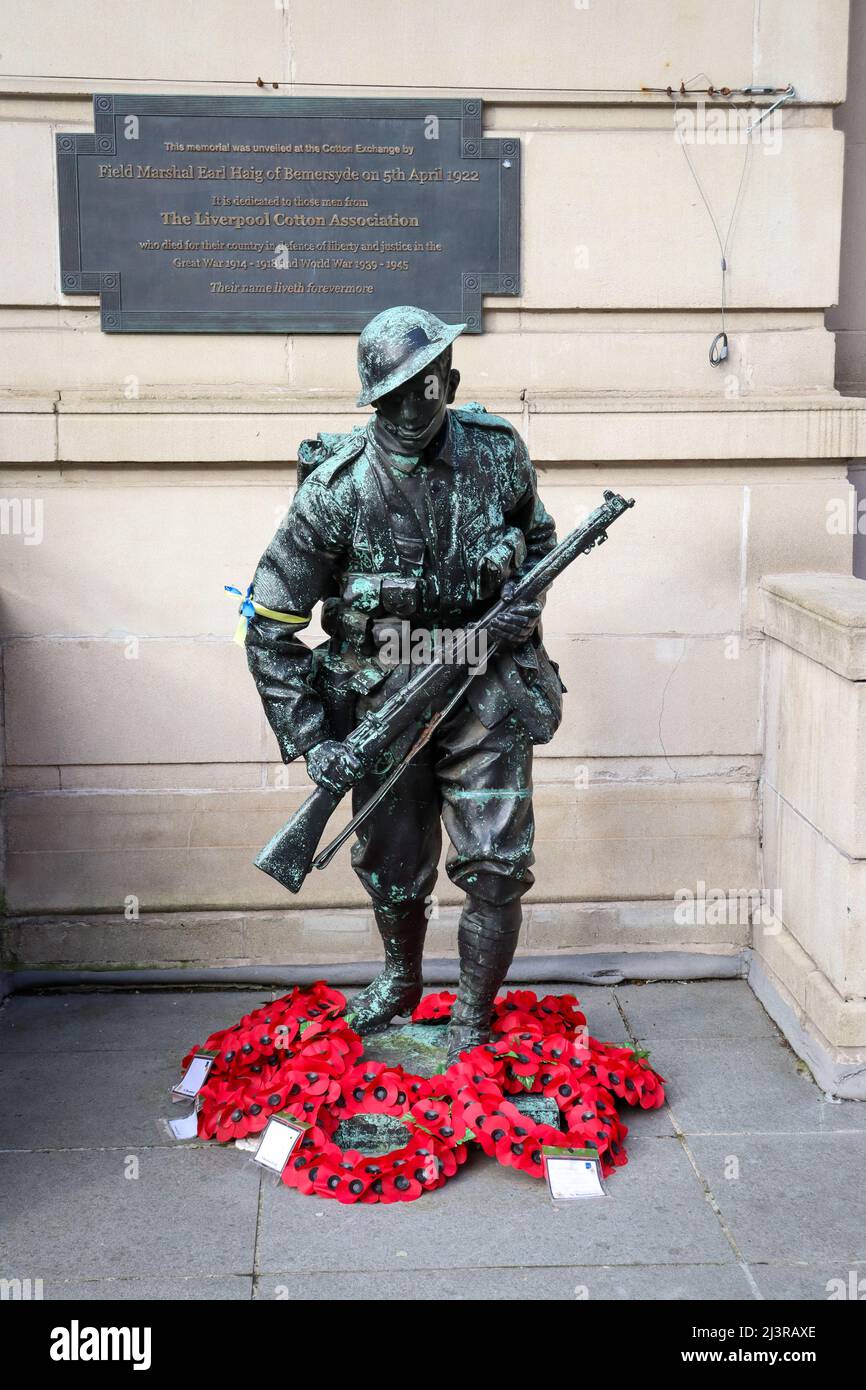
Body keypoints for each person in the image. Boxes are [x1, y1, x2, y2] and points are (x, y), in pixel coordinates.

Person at [244, 305, 565, 1063]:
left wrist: (518, 589)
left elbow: (540, 536)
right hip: (380, 696)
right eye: (394, 395)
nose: (414, 407)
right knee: (391, 864)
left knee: (497, 864)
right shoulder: (334, 490)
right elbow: (269, 626)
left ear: (450, 382)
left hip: (484, 689)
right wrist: (317, 741)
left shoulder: (496, 453)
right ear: (372, 399)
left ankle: (473, 1017)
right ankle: (400, 981)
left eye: (428, 389)